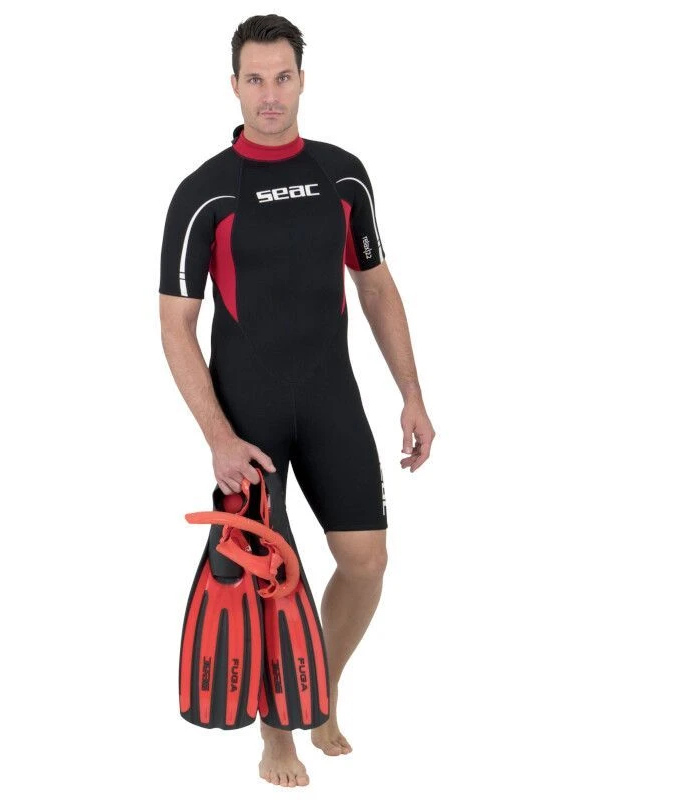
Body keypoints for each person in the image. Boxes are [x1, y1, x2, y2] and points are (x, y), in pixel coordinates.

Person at [159, 13, 434, 788]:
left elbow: (375, 286)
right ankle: (275, 736)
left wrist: (411, 394)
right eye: (255, 79)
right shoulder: (204, 193)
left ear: (302, 79)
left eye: (283, 77)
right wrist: (217, 436)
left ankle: (318, 690)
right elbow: (175, 325)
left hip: (329, 398)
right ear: (235, 85)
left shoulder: (343, 175)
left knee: (366, 562)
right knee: (268, 582)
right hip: (247, 416)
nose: (270, 94)